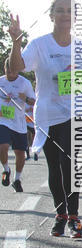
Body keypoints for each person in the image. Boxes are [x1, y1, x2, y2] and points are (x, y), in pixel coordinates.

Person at [8, 0, 82, 237]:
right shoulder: (40, 44)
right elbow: (15, 67)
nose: (66, 15)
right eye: (60, 10)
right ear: (52, 15)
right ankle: (60, 213)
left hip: (76, 113)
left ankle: (74, 216)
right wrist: (15, 42)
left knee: (71, 162)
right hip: (48, 114)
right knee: (55, 166)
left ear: (75, 17)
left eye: (70, 11)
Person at [0, 59, 35, 192]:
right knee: (2, 146)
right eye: (7, 71)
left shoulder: (24, 83)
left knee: (20, 153)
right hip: (3, 120)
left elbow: (33, 102)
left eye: (12, 71)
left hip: (19, 122)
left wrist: (24, 98)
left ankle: (17, 179)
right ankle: (6, 169)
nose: (9, 74)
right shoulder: (1, 82)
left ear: (17, 70)